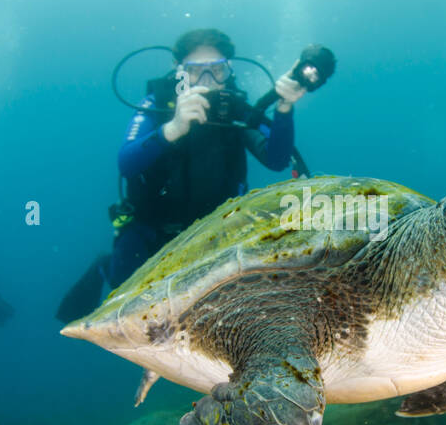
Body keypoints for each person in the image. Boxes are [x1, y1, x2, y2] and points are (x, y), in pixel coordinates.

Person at [55, 28, 312, 323]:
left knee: (220, 306)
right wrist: (172, 128)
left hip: (217, 228)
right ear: (178, 72)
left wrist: (284, 108)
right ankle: (104, 265)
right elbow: (126, 163)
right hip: (152, 226)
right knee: (125, 292)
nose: (207, 81)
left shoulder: (236, 111)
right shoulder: (156, 105)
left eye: (217, 70)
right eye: (194, 71)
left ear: (228, 71)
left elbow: (277, 158)